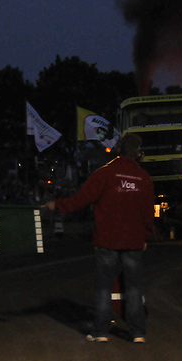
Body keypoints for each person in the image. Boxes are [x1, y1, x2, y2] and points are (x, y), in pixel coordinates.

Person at [44, 133, 154, 343]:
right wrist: (146, 235)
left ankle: (101, 331)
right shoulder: (144, 179)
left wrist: (57, 205)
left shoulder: (105, 174)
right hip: (134, 241)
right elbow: (148, 213)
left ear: (118, 150)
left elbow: (80, 200)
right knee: (133, 287)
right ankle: (138, 332)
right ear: (140, 155)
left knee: (103, 287)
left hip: (107, 240)